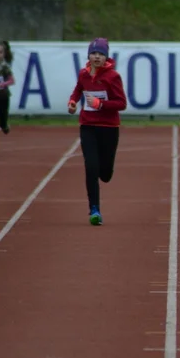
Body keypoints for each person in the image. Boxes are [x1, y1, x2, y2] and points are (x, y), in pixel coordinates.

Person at [67, 38, 127, 225]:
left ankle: (105, 170)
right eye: (94, 53)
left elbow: (122, 103)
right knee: (91, 167)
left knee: (105, 174)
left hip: (109, 128)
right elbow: (78, 89)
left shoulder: (113, 77)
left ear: (106, 57)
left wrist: (100, 104)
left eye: (100, 54)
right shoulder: (83, 74)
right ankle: (94, 209)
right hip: (88, 126)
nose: (97, 57)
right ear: (89, 55)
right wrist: (73, 102)